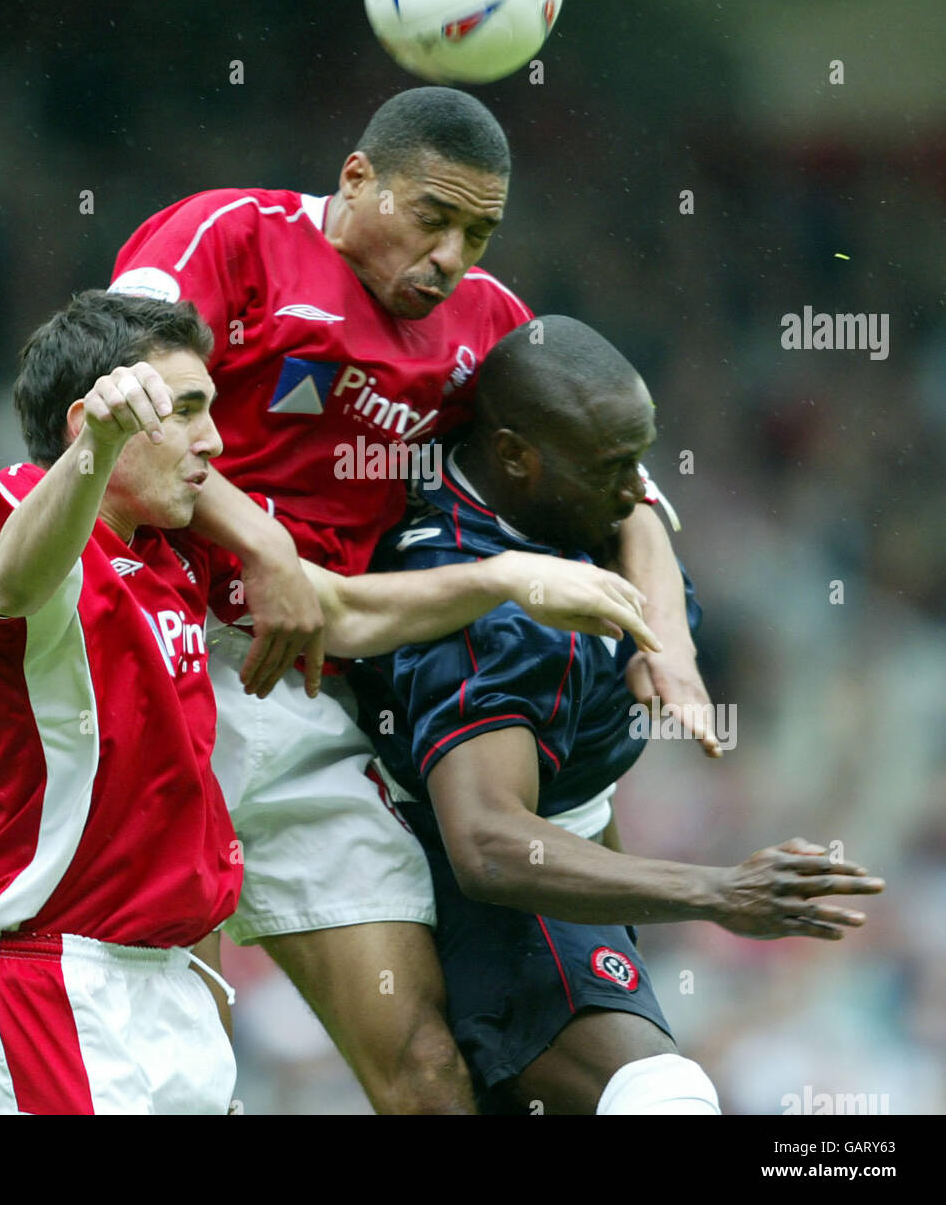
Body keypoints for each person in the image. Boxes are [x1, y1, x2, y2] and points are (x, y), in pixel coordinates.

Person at [108, 87, 709, 1113]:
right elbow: (113, 388)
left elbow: (624, 485)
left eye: (477, 232)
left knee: (428, 1069)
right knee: (129, 1049)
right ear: (355, 179)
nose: (451, 256)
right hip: (143, 648)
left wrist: (670, 644)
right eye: (432, 218)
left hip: (298, 693)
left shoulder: (486, 325)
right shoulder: (229, 237)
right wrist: (262, 544)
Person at [0, 290, 656, 1115]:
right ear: (96, 417)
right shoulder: (5, 512)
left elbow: (343, 610)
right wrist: (93, 449)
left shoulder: (177, 557)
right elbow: (14, 579)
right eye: (188, 410)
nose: (214, 439)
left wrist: (509, 580)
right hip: (62, 988)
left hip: (169, 995)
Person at [353, 315, 886, 1115]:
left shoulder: (561, 504)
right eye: (613, 466)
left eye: (639, 455)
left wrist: (666, 639)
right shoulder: (477, 608)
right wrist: (719, 892)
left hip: (574, 863)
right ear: (514, 456)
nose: (638, 487)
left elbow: (638, 520)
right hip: (503, 907)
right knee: (663, 1099)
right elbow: (488, 845)